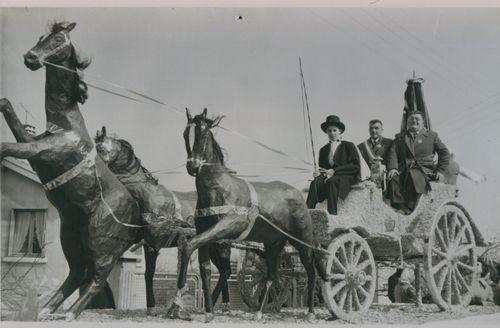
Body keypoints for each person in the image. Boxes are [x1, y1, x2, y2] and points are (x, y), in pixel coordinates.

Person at [387, 111, 450, 211]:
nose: (414, 121)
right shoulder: (400, 137)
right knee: (393, 178)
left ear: (423, 122)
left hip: (425, 170)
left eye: (417, 119)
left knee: (414, 175)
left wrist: (440, 171)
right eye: (411, 119)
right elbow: (392, 153)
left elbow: (445, 153)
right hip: (404, 169)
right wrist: (393, 168)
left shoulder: (432, 136)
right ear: (407, 122)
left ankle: (411, 207)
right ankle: (401, 208)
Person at [306, 115, 360, 215]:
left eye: (334, 130)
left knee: (331, 182)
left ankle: (332, 214)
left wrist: (335, 171)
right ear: (326, 132)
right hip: (329, 175)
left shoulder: (348, 145)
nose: (332, 133)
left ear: (340, 131)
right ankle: (308, 213)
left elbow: (355, 166)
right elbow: (323, 168)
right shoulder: (323, 149)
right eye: (329, 131)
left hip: (345, 175)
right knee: (315, 183)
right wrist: (319, 173)